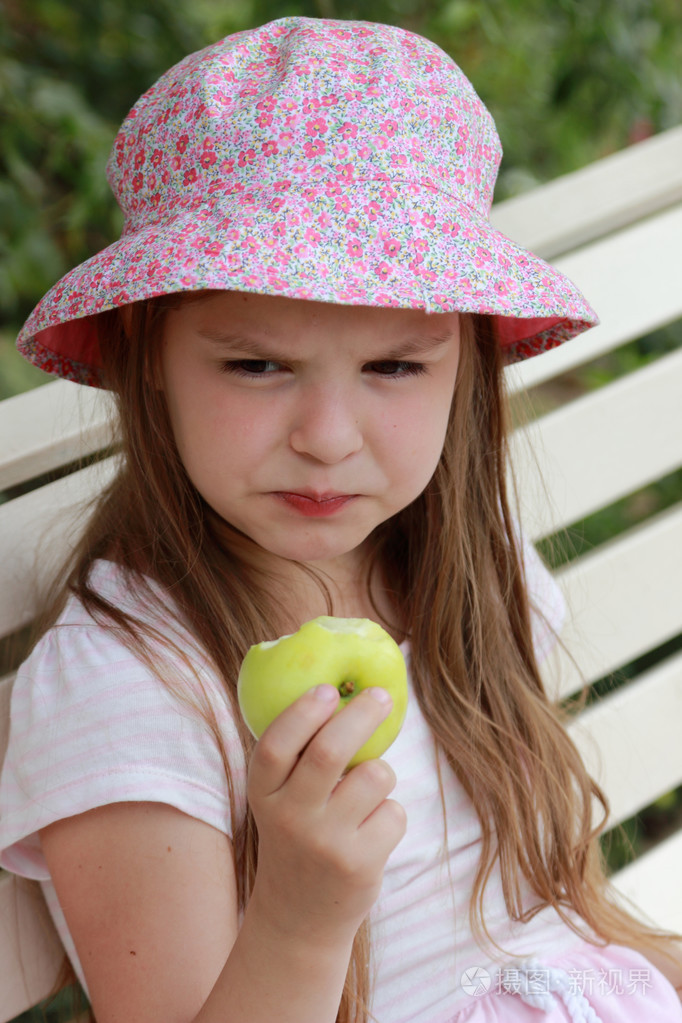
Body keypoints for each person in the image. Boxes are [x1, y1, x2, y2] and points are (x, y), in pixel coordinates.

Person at [0, 16, 680, 1023]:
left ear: (468, 367)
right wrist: (301, 916)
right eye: (257, 364)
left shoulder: (460, 573)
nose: (326, 437)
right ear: (149, 356)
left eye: (395, 366)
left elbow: (553, 913)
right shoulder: (135, 687)